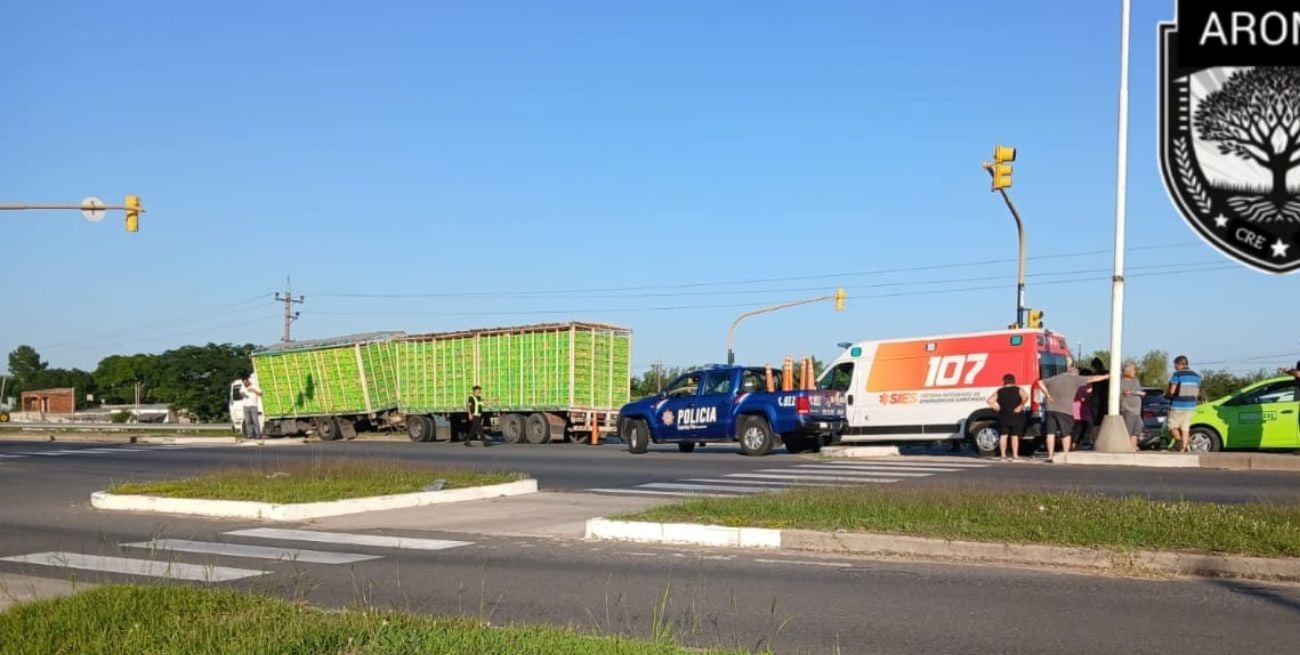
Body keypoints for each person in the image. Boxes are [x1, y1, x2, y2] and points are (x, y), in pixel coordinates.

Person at [1036, 362, 1107, 463]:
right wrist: (1106, 376)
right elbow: (1092, 378)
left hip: (1050, 409)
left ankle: (1050, 455)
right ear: (1075, 373)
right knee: (1066, 434)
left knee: (1050, 433)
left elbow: (1040, 382)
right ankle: (1066, 455)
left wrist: (1047, 395)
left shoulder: (1055, 378)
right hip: (1065, 410)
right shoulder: (1075, 379)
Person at [987, 373, 1029, 461]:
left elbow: (989, 400)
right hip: (1016, 415)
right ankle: (1015, 455)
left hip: (1004, 415)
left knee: (1003, 435)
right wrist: (1020, 406)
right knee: (1014, 436)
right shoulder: (1018, 389)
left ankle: (1003, 455)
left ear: (1004, 381)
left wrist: (997, 408)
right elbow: (1025, 397)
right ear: (1013, 380)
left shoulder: (1000, 391)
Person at [1165, 355, 1202, 452]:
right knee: (1185, 428)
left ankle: (1179, 441)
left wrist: (1168, 394)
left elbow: (1172, 391)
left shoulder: (1177, 375)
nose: (1175, 367)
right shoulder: (1196, 376)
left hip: (1177, 405)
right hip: (1190, 405)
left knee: (1172, 426)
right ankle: (1183, 449)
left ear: (1179, 364)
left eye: (1175, 365)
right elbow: (1197, 393)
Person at [1119, 362, 1144, 451]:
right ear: (1127, 371)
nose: (1135, 372)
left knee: (1136, 431)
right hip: (1127, 410)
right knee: (1128, 431)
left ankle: (1133, 448)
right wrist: (1124, 394)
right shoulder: (1120, 382)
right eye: (1133, 370)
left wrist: (1139, 393)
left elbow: (1140, 392)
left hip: (1137, 411)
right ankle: (1126, 448)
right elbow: (1117, 395)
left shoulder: (1136, 381)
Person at [241, 374, 262, 439]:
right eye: (243, 383)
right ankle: (250, 434)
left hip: (253, 406)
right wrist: (244, 395)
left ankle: (258, 434)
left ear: (248, 381)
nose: (244, 384)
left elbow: (260, 394)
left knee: (255, 421)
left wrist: (253, 390)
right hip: (245, 406)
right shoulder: (243, 387)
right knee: (248, 421)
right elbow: (241, 393)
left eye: (245, 383)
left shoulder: (254, 386)